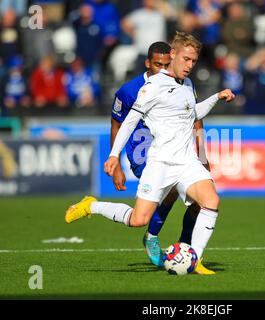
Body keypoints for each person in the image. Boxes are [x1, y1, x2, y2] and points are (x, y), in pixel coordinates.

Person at [65, 31, 235, 275]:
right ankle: (93, 206)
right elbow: (130, 120)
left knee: (211, 201)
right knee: (138, 220)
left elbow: (193, 114)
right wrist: (114, 156)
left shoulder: (187, 84)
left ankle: (194, 260)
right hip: (160, 163)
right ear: (173, 54)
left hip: (186, 163)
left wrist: (217, 97)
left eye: (194, 61)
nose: (190, 66)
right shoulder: (152, 86)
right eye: (186, 59)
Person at [109, 41, 211, 272]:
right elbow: (117, 124)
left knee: (199, 201)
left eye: (167, 64)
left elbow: (194, 116)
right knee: (172, 191)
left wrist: (202, 154)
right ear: (147, 63)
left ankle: (187, 250)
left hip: (176, 151)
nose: (163, 69)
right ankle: (152, 236)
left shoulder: (182, 83)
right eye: (157, 64)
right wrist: (115, 162)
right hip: (143, 152)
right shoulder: (129, 90)